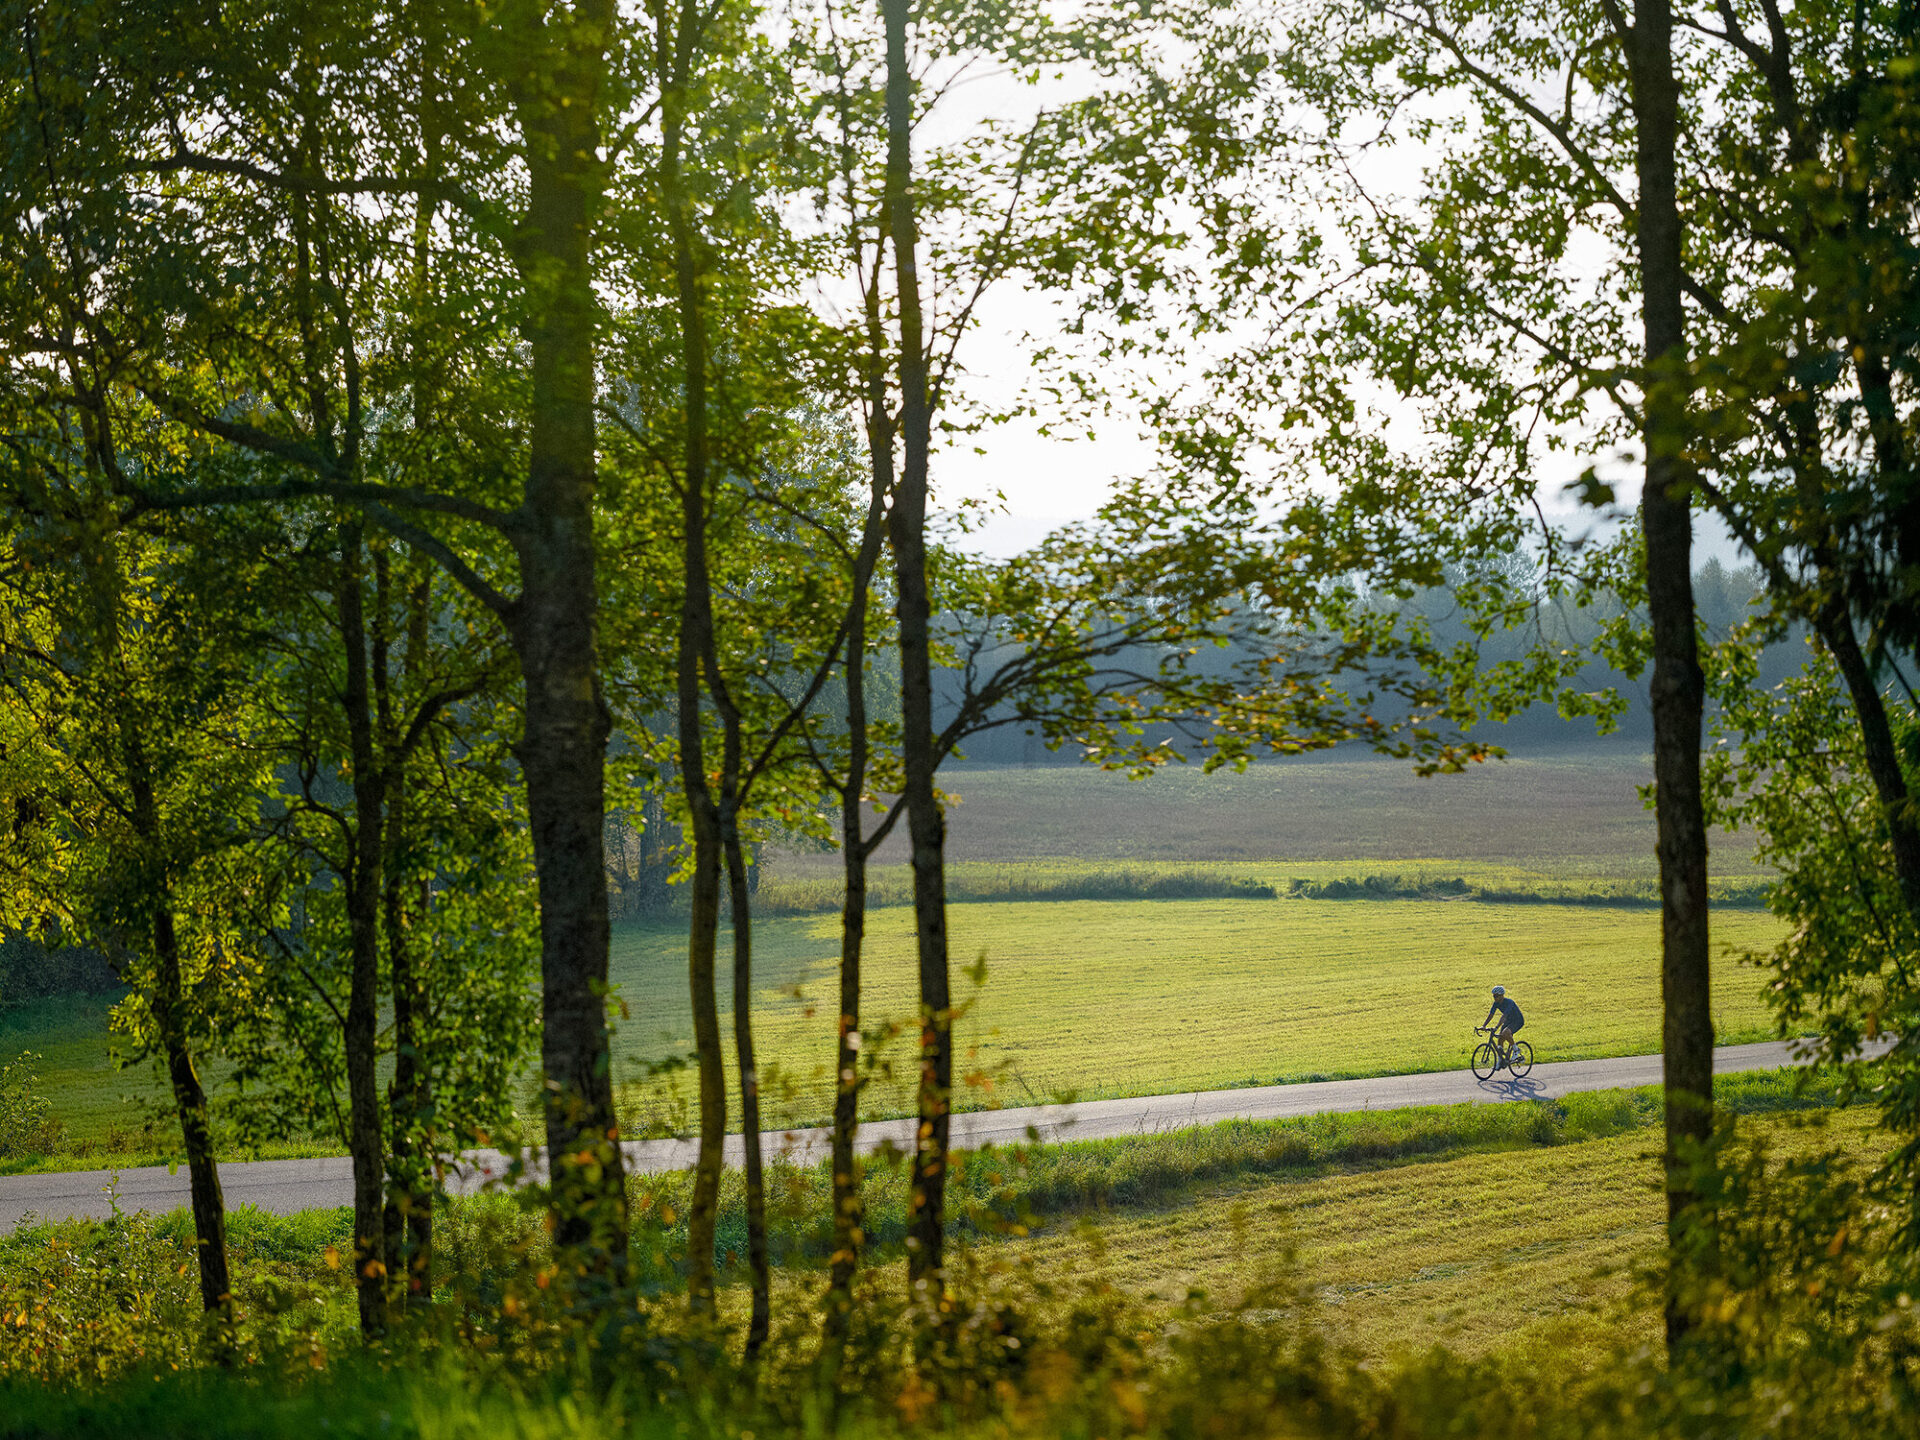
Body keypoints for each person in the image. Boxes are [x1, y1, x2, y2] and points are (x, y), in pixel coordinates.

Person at [1483, 985, 1524, 1068]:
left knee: (1506, 1032)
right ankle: (1500, 1061)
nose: (1494, 998)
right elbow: (1491, 1014)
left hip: (1517, 1020)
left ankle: (1516, 1050)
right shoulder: (1496, 1003)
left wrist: (1497, 1027)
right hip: (1509, 1021)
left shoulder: (1509, 1002)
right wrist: (1483, 1025)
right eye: (1493, 996)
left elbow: (1504, 1016)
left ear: (1502, 995)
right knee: (1500, 1039)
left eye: (1496, 996)